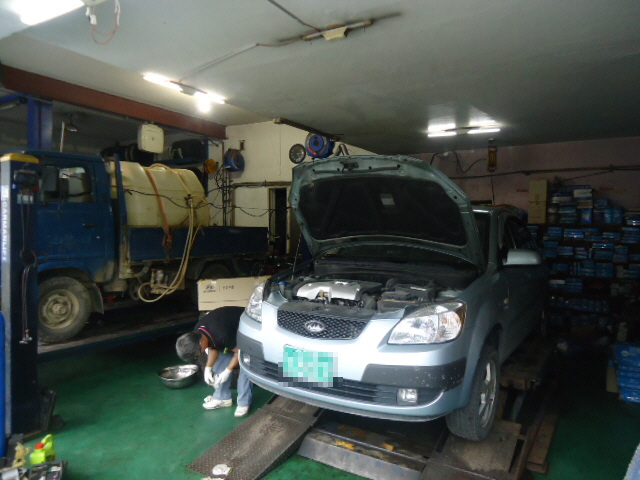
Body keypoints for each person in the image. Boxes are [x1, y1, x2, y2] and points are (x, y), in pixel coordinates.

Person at [175, 306, 252, 417]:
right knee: (219, 361)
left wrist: (228, 370)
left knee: (246, 363)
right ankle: (223, 398)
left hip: (250, 333)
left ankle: (243, 403)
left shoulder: (222, 334)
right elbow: (213, 348)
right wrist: (208, 368)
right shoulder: (198, 331)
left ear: (200, 344)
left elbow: (240, 352)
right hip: (231, 337)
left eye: (198, 353)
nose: (200, 355)